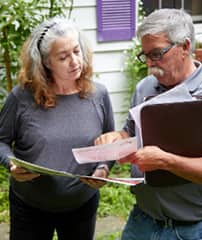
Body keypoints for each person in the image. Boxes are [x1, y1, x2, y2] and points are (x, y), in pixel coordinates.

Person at [95, 9, 202, 240]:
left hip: (187, 228)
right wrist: (115, 139)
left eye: (157, 54)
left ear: (185, 46)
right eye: (145, 55)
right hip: (142, 218)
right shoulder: (144, 87)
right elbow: (129, 133)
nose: (150, 64)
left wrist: (165, 161)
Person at [0, 17, 114, 240]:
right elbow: (1, 140)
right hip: (29, 206)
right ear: (45, 62)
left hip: (82, 205)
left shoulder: (99, 94)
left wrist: (103, 168)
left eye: (77, 51)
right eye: (63, 57)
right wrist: (11, 163)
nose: (75, 61)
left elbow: (110, 144)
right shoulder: (21, 97)